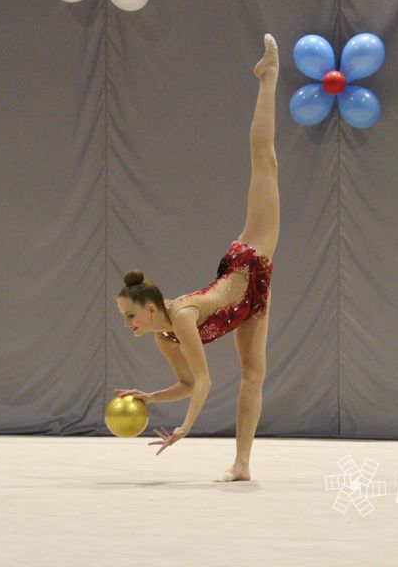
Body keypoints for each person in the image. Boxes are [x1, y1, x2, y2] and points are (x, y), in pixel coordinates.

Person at [115, 34, 280, 482]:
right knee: (252, 375)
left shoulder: (182, 318)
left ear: (151, 309)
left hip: (249, 263)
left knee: (263, 161)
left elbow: (204, 383)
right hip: (247, 304)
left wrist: (184, 429)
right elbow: (188, 384)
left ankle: (269, 78)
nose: (129, 324)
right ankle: (242, 465)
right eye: (126, 319)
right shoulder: (163, 339)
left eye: (131, 316)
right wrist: (149, 397)